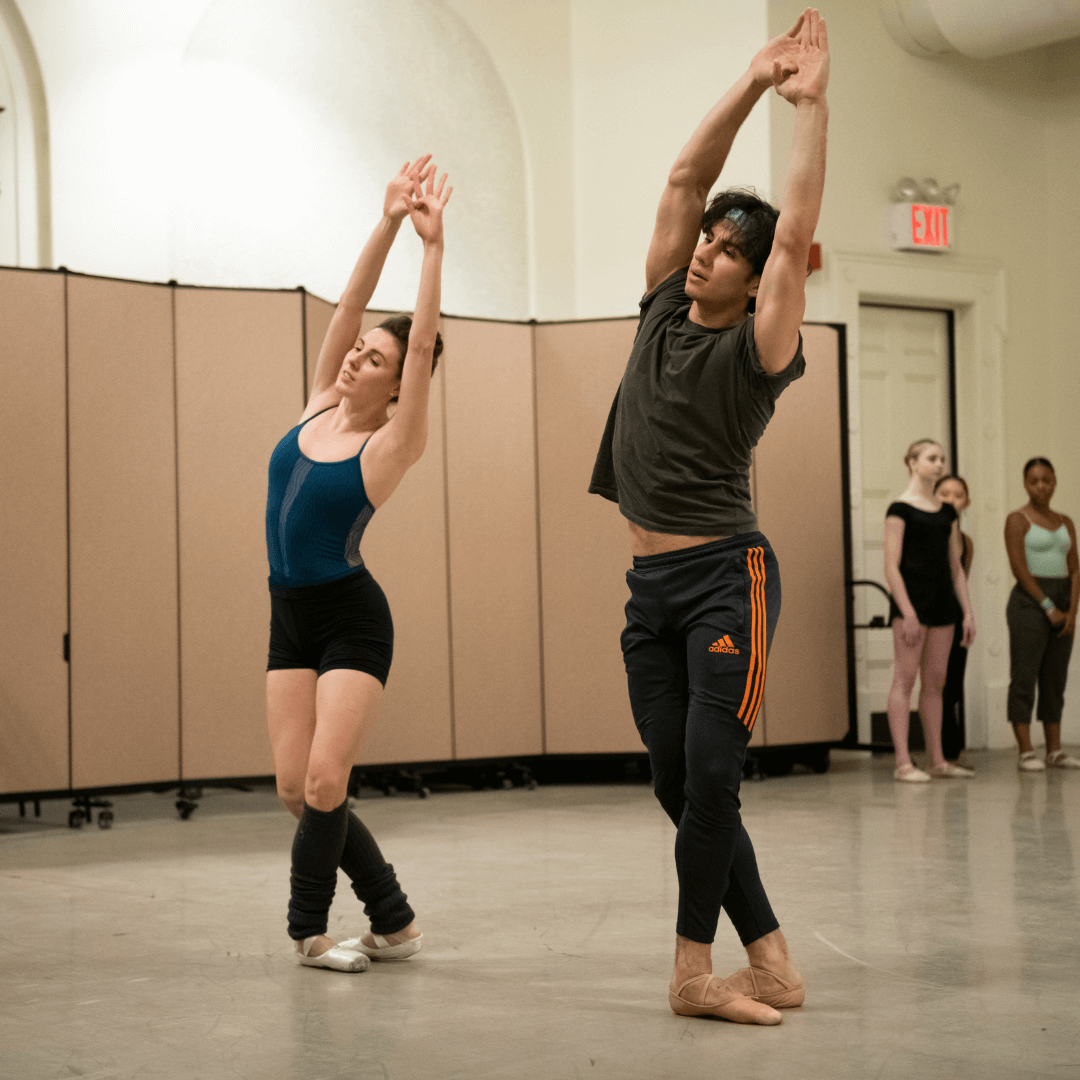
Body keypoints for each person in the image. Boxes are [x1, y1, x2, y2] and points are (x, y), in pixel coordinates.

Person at [588, 9, 828, 1025]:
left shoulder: (757, 349)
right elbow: (687, 181)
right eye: (707, 242)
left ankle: (693, 977)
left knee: (713, 783)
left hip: (729, 575)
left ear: (757, 275)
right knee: (676, 784)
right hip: (650, 590)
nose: (705, 254)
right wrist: (749, 78)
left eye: (732, 251)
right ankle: (768, 958)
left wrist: (812, 107)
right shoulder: (657, 304)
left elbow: (799, 228)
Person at [265, 157, 452, 970]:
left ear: (396, 384)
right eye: (357, 352)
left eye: (373, 360)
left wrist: (431, 250)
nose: (353, 361)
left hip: (349, 618)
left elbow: (420, 360)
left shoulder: (391, 443)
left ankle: (309, 932)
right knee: (295, 787)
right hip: (288, 614)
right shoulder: (318, 400)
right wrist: (384, 222)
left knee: (325, 782)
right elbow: (347, 305)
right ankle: (397, 920)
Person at [883, 441, 975, 782]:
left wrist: (967, 612)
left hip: (943, 606)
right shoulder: (899, 509)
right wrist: (907, 611)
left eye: (942, 459)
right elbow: (891, 567)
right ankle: (903, 762)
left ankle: (938, 760)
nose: (938, 464)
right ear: (912, 463)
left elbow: (956, 567)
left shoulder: (947, 513)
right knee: (904, 680)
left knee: (936, 682)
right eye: (931, 459)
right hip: (912, 605)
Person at [1004, 458, 1080, 771]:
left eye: (1046, 480)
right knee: (1025, 676)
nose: (1040, 486)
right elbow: (1019, 568)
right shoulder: (1017, 519)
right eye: (1034, 480)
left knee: (1054, 679)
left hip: (1064, 598)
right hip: (1030, 601)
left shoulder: (1066, 522)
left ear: (1055, 481)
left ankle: (1055, 750)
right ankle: (1025, 751)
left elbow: (1075, 569)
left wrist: (1071, 613)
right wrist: (1048, 608)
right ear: (1025, 483)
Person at [935, 474, 975, 766]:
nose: (951, 500)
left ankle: (949, 750)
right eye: (944, 493)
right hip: (931, 615)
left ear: (967, 502)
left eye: (957, 495)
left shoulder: (966, 541)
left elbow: (962, 579)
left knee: (954, 682)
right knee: (936, 681)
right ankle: (940, 751)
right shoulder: (927, 530)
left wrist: (966, 615)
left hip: (956, 614)